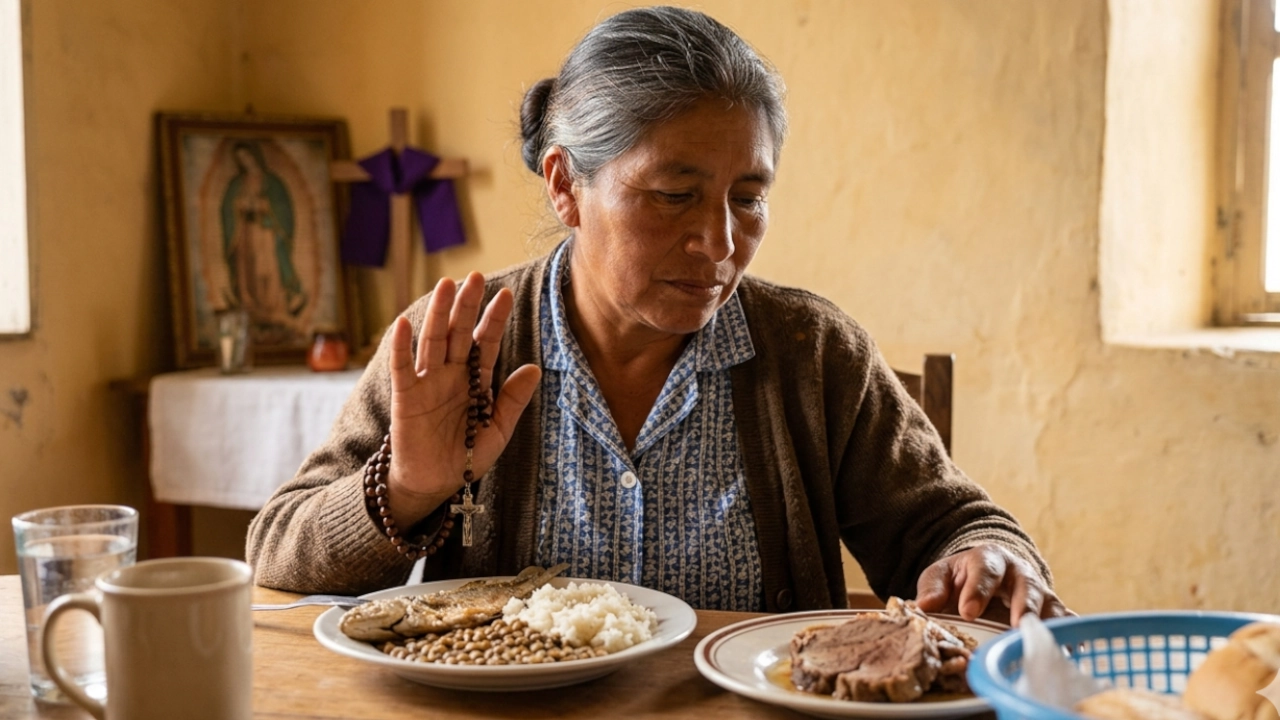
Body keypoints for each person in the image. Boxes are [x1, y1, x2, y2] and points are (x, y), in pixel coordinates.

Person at [247, 6, 1069, 625]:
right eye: (674, 194)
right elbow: (277, 554)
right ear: (566, 185)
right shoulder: (463, 343)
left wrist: (985, 556)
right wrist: (408, 487)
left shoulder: (812, 355)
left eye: (748, 198)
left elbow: (953, 523)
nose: (718, 242)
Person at [221, 141, 308, 323]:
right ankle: (250, 306)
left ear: (255, 156)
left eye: (247, 156)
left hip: (266, 233)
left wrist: (264, 206)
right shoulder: (237, 184)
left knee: (267, 268)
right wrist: (239, 206)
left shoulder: (272, 182)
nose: (245, 161)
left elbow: (283, 209)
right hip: (245, 234)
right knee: (248, 267)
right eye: (240, 158)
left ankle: (273, 307)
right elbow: (227, 209)